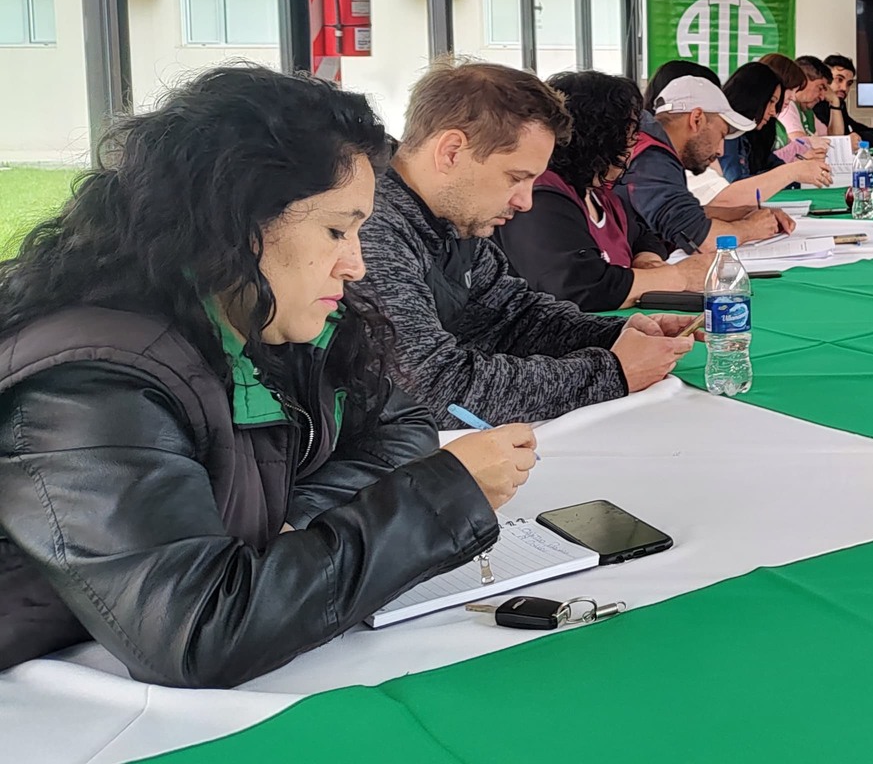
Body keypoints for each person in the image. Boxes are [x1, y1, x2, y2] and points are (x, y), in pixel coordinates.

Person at [0, 67, 535, 686]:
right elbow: (200, 631)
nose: (356, 264)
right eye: (336, 230)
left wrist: (296, 523)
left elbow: (400, 421)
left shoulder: (257, 321)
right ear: (235, 220)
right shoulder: (91, 385)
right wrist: (441, 498)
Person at [359, 60, 702, 427]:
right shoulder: (368, 229)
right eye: (515, 177)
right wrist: (613, 371)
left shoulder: (452, 219)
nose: (525, 202)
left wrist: (616, 334)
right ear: (452, 152)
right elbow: (433, 391)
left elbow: (512, 318)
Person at [497, 72, 715, 312]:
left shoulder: (599, 194)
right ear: (601, 136)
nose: (635, 143)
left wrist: (646, 259)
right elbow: (580, 287)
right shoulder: (541, 198)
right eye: (630, 133)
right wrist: (679, 276)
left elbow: (642, 236)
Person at [621, 73, 801, 254]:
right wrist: (749, 229)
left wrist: (747, 213)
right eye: (721, 135)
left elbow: (684, 216)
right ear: (697, 119)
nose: (721, 151)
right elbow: (701, 238)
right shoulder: (652, 157)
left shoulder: (655, 148)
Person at [641, 62, 828, 209]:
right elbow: (725, 198)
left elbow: (697, 217)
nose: (720, 151)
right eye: (771, 102)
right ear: (696, 118)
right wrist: (793, 171)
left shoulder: (661, 156)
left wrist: (744, 222)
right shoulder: (654, 162)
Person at [821, 53, 873, 148]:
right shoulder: (816, 105)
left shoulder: (839, 103)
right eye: (839, 80)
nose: (844, 88)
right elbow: (840, 140)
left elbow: (853, 127)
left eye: (849, 84)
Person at [763, 53, 820, 163]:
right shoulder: (758, 126)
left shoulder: (776, 125)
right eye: (791, 89)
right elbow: (762, 165)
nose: (793, 97)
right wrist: (798, 148)